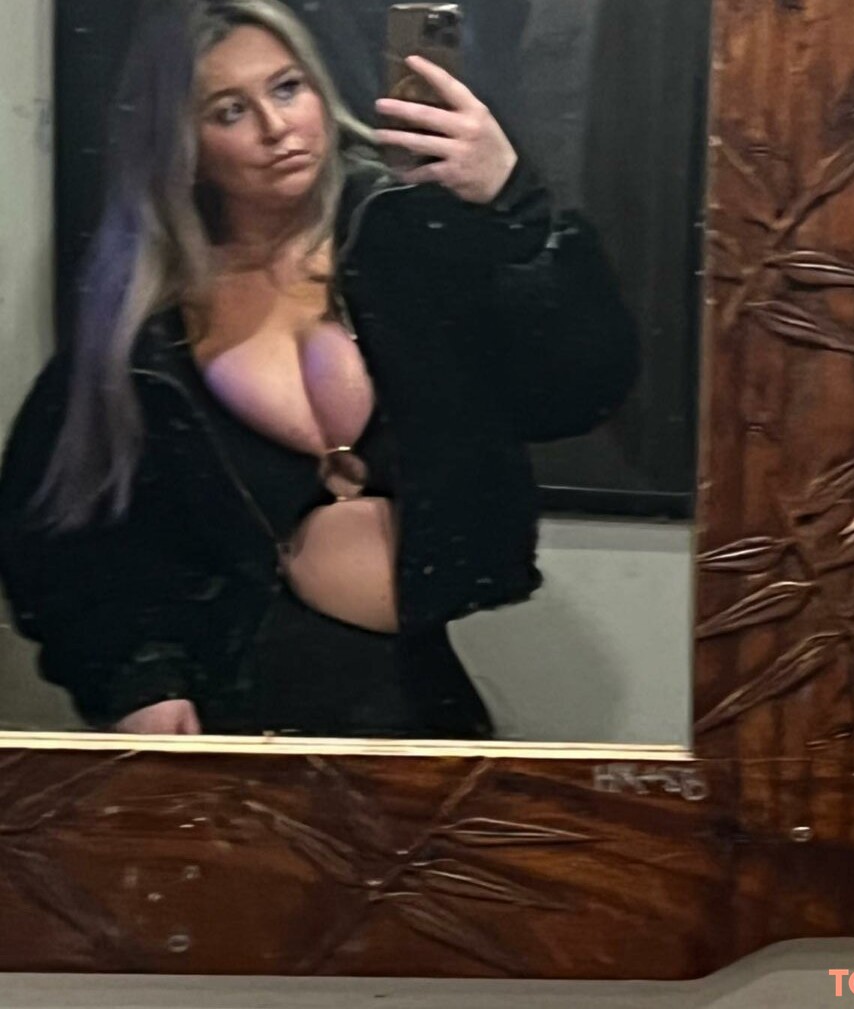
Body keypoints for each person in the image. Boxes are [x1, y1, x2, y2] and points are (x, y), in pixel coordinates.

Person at [0, 0, 638, 739]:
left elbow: (578, 388)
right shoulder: (144, 322)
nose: (276, 128)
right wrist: (135, 678)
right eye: (230, 110)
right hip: (229, 719)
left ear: (320, 89)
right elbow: (57, 534)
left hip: (420, 700)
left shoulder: (403, 242)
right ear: (183, 142)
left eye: (287, 87)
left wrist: (513, 200)